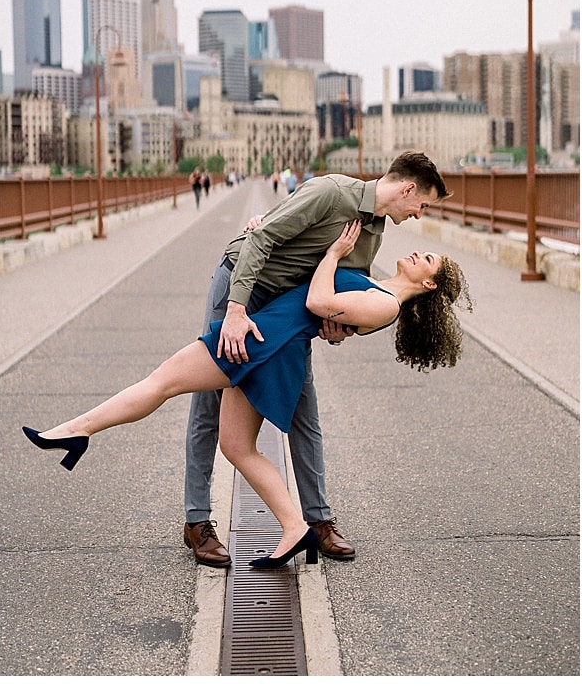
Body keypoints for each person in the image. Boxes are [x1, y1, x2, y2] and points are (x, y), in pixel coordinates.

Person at [24, 220, 471, 566]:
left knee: (162, 382)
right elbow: (325, 311)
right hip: (272, 343)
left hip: (262, 341)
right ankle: (295, 528)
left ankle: (76, 430)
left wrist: (334, 253)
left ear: (429, 284)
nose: (416, 252)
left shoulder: (386, 303)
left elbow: (317, 302)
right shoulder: (378, 287)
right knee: (236, 445)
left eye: (427, 258)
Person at [183, 151, 448, 567]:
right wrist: (236, 309)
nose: (420, 215)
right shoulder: (331, 191)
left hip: (286, 310)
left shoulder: (373, 231)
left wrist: (339, 330)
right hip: (241, 284)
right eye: (423, 205)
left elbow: (339, 293)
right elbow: (262, 237)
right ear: (409, 188)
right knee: (209, 399)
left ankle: (318, 521)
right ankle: (197, 520)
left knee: (305, 410)